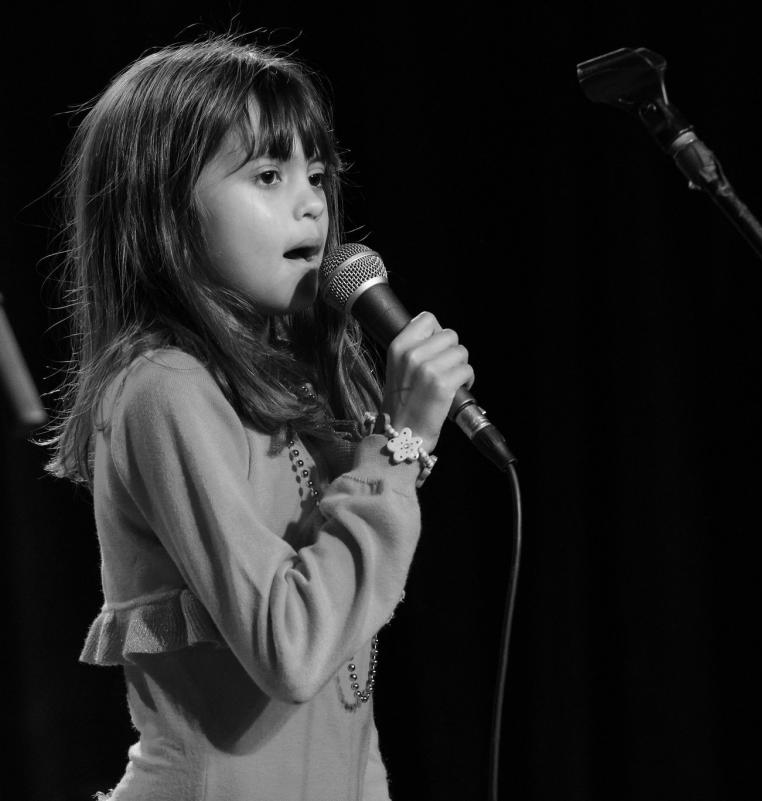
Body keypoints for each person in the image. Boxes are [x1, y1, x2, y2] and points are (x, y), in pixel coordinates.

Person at [42, 35, 474, 801]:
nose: (310, 201)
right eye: (268, 175)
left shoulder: (299, 387)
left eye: (316, 173)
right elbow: (292, 647)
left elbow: (343, 697)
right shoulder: (162, 389)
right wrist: (402, 444)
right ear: (166, 209)